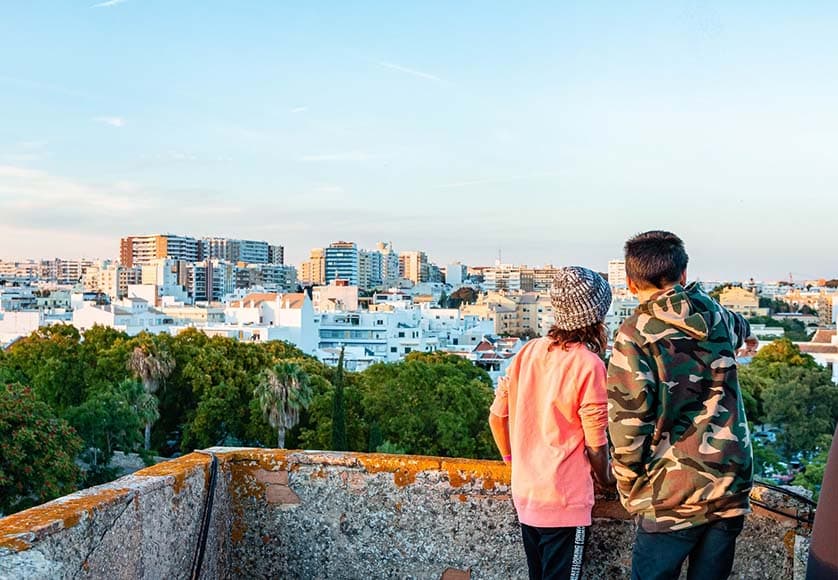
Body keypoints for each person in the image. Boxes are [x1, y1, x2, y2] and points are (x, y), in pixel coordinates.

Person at [607, 230, 758, 580]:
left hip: (671, 492)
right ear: (684, 273)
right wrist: (746, 338)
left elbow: (628, 424)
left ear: (630, 284)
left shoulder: (635, 334)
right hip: (728, 483)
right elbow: (742, 327)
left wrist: (629, 486)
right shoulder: (716, 315)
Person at [489, 266, 615, 580]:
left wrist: (511, 462)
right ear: (595, 316)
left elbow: (496, 417)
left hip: (527, 494)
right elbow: (596, 443)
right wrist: (608, 481)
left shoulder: (528, 352)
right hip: (563, 499)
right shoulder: (589, 364)